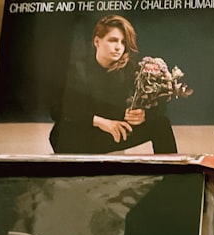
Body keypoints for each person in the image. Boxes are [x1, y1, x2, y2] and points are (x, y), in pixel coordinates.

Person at [49, 14, 177, 154]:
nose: (118, 47)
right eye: (113, 40)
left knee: (161, 123)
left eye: (123, 42)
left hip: (113, 132)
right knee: (64, 129)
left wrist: (144, 114)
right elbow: (57, 110)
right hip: (80, 135)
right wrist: (101, 122)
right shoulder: (76, 69)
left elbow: (160, 108)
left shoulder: (131, 70)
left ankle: (173, 174)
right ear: (97, 41)